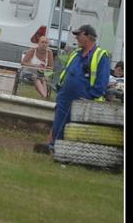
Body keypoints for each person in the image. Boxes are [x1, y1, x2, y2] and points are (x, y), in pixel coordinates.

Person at [47, 24, 110, 152]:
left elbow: (102, 82)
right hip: (65, 95)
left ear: (88, 36)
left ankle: (64, 150)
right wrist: (60, 90)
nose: (76, 38)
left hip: (83, 99)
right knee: (59, 122)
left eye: (78, 35)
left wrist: (90, 96)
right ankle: (52, 146)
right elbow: (67, 72)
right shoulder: (76, 53)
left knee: (72, 127)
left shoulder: (100, 55)